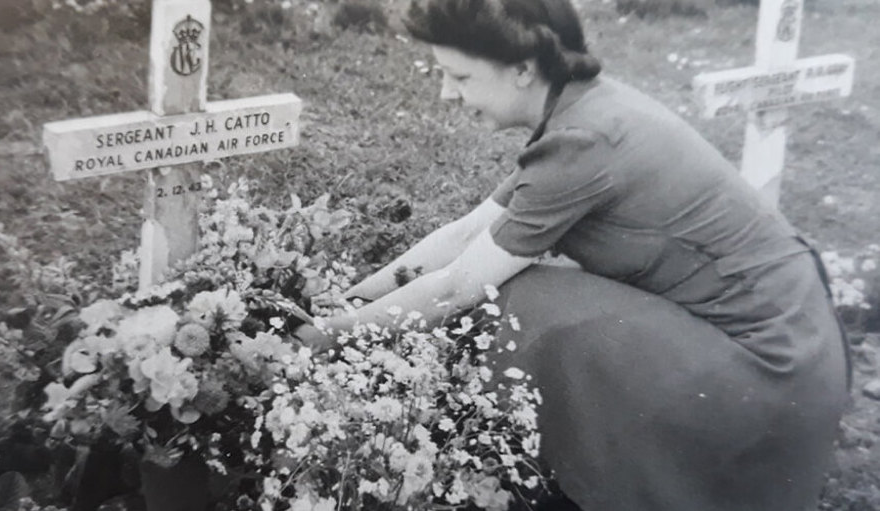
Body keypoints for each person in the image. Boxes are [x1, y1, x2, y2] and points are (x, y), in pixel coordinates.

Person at [292, 0, 851, 509]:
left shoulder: (584, 142)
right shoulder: (582, 110)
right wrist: (354, 299)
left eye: (459, 76)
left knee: (518, 298)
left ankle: (562, 476)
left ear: (522, 69)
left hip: (769, 372)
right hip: (790, 342)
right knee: (523, 289)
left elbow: (458, 285)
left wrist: (327, 338)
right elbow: (467, 234)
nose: (445, 93)